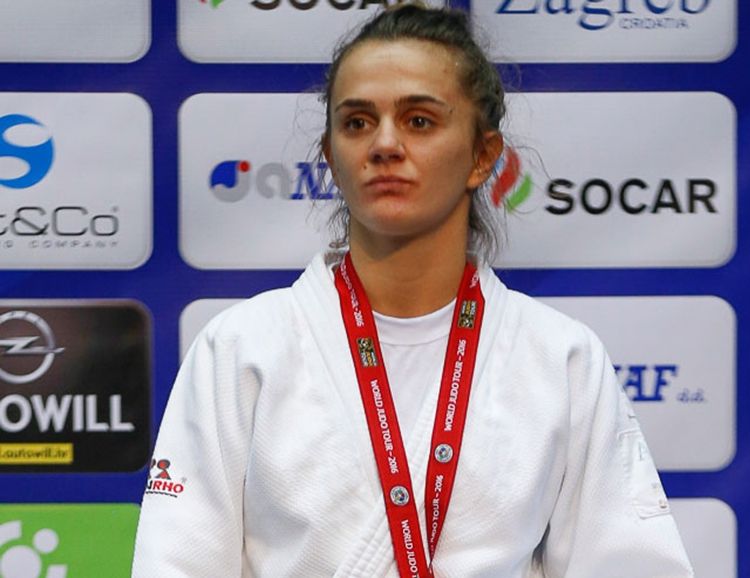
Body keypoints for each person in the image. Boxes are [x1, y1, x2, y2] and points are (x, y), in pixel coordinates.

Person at [131, 4, 694, 577]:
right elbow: (176, 564)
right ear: (331, 159)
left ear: (483, 156)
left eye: (419, 121)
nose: (384, 144)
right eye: (357, 123)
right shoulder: (240, 348)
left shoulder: (559, 357)